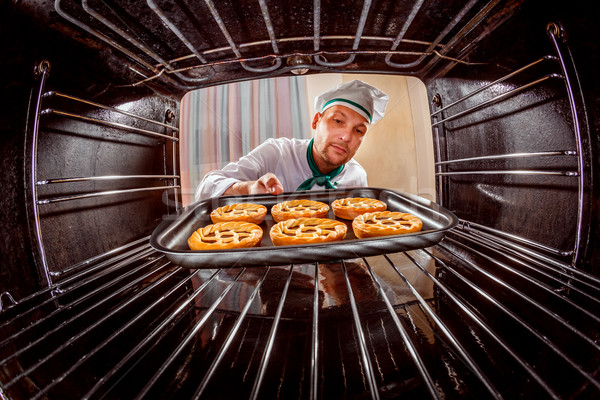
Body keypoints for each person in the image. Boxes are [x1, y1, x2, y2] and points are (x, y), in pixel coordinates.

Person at [195, 79, 388, 200]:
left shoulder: (358, 177)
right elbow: (205, 188)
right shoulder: (276, 152)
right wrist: (248, 188)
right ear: (316, 121)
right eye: (338, 121)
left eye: (359, 130)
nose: (346, 136)